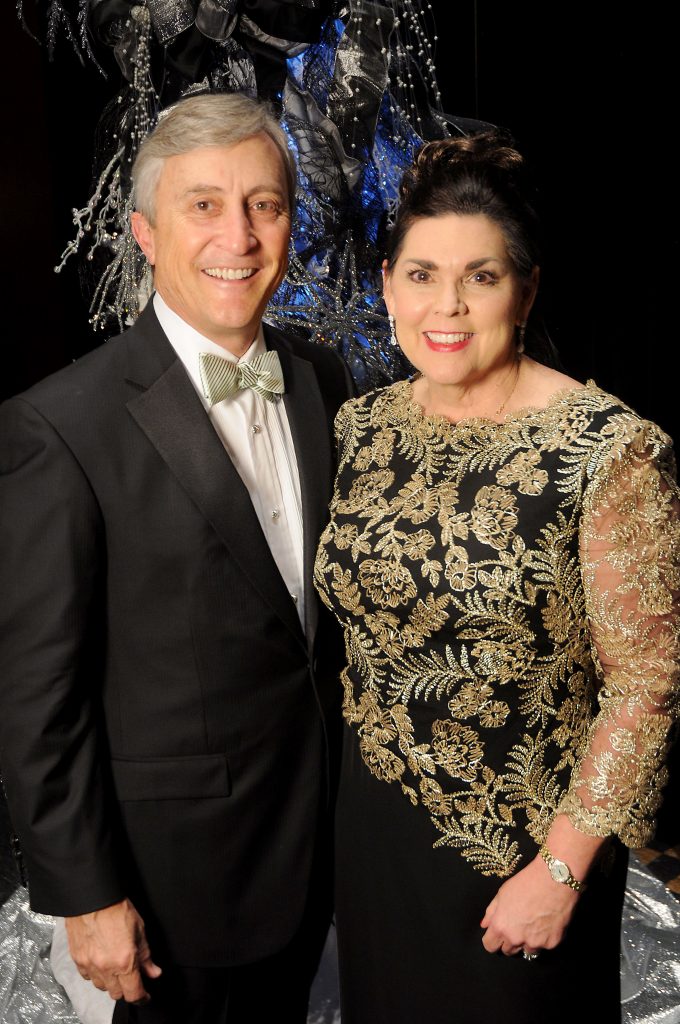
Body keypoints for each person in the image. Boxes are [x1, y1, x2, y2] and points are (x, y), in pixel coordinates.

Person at [0, 92, 353, 1024]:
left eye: (264, 205)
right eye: (203, 204)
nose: (237, 234)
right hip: (173, 890)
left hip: (319, 854)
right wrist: (84, 892)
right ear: (146, 234)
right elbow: (38, 693)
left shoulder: (324, 378)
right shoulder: (60, 426)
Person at [313, 129, 680, 1024]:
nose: (448, 305)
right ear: (389, 284)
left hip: (525, 852)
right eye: (421, 273)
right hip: (375, 831)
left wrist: (558, 873)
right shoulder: (362, 426)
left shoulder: (610, 448)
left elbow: (646, 684)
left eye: (481, 276)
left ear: (525, 290)